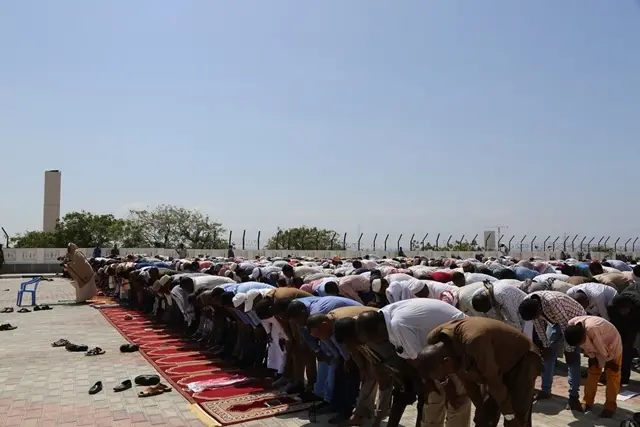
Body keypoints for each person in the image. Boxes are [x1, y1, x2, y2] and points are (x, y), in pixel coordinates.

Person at [356, 299, 470, 427]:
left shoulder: (398, 325)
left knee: (456, 400)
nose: (375, 343)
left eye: (372, 338)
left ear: (380, 329)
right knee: (433, 398)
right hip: (435, 347)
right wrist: (427, 382)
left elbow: (421, 361)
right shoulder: (383, 317)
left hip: (457, 340)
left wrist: (448, 386)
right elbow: (411, 359)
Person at [417, 317, 541, 427]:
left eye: (443, 376)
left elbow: (494, 382)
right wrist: (480, 409)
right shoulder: (439, 345)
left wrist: (509, 414)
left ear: (447, 361)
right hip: (494, 363)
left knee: (516, 417)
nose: (445, 378)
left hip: (521, 359)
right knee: (484, 417)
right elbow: (467, 382)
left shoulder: (474, 342)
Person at [307, 305, 391, 427]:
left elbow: (355, 348)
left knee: (380, 376)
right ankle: (360, 414)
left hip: (381, 333)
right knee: (367, 374)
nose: (321, 339)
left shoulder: (362, 331)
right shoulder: (340, 328)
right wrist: (361, 367)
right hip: (365, 333)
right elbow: (351, 348)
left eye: (319, 335)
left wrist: (366, 367)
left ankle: (376, 415)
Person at [518, 291, 586, 410]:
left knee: (573, 360)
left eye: (535, 316)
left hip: (574, 321)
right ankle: (545, 390)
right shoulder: (529, 303)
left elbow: (566, 326)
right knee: (547, 355)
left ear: (539, 310)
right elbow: (538, 326)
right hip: (555, 321)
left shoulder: (552, 302)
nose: (535, 319)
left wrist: (569, 350)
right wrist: (545, 345)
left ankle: (573, 397)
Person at [565, 316, 623, 417]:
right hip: (596, 343)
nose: (580, 345)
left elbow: (601, 347)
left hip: (611, 343)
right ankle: (587, 401)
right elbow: (587, 346)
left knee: (612, 373)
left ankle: (610, 406)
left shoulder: (592, 328)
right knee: (592, 371)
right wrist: (592, 357)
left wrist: (609, 361)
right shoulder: (572, 326)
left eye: (580, 343)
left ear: (583, 336)